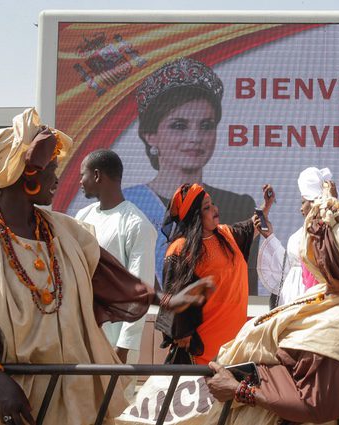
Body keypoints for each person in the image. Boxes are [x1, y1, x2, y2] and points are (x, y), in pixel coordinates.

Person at [0, 108, 212, 425]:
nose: (58, 177)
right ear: (23, 175)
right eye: (50, 168)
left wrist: (165, 300)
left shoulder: (67, 232)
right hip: (5, 403)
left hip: (69, 399)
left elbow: (114, 280)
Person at [203, 194, 339, 424]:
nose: (313, 249)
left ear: (336, 260)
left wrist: (237, 389)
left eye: (321, 244)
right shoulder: (326, 296)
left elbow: (314, 404)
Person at [123, 57, 256, 287]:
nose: (195, 138)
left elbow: (245, 286)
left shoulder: (238, 206)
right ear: (150, 134)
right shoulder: (127, 204)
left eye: (206, 126)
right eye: (179, 126)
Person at [156, 182, 271, 365]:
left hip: (233, 348)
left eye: (213, 204)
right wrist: (182, 333)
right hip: (201, 353)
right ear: (195, 215)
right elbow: (172, 296)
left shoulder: (226, 234)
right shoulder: (180, 249)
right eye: (207, 207)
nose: (214, 209)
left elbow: (253, 226)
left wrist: (266, 205)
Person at [75, 149, 157, 364]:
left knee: (114, 399)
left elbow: (141, 290)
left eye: (82, 175)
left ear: (97, 175)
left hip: (115, 343)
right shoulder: (83, 217)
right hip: (83, 336)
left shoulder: (137, 224)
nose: (80, 182)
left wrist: (124, 347)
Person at [256, 167, 336, 307]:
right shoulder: (300, 233)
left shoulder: (325, 232)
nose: (301, 208)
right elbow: (286, 268)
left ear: (313, 204)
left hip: (311, 295)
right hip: (290, 295)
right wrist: (269, 236)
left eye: (302, 202)